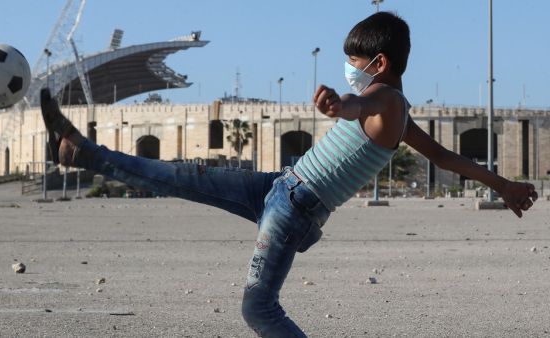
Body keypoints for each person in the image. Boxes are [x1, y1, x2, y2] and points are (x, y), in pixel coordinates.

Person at [40, 11, 537, 337]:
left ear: (379, 63)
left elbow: (354, 102)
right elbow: (448, 159)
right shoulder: (398, 117)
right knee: (178, 175)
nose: (348, 67)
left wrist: (336, 103)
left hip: (294, 208)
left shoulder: (383, 100)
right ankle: (81, 152)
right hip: (280, 187)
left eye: (354, 61)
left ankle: (81, 151)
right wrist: (504, 186)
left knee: (259, 310)